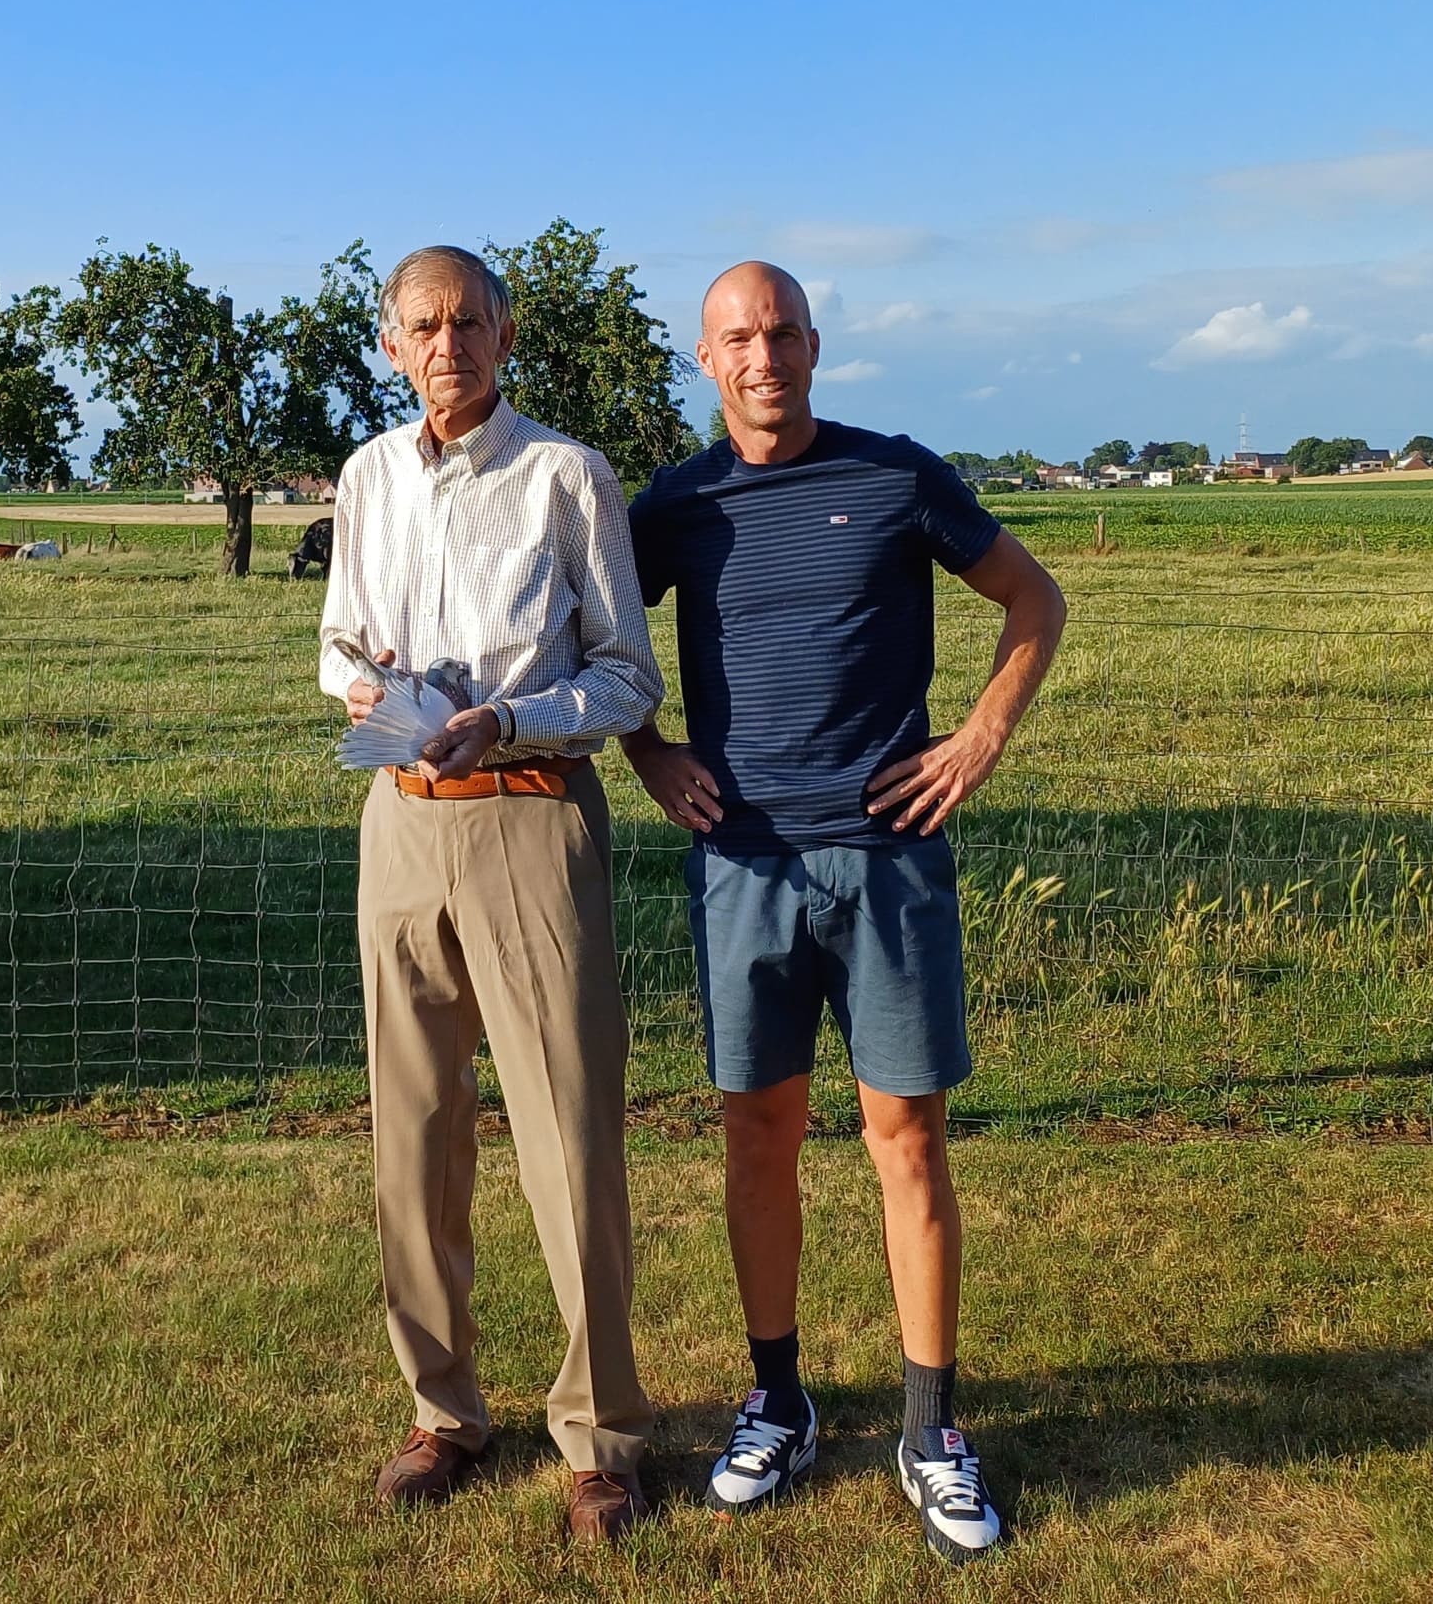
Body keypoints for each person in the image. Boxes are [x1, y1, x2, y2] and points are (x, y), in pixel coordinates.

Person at [623, 261, 1066, 1564]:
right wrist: (648, 753)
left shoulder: (895, 475)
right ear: (707, 361)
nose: (763, 357)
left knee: (906, 1140)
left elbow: (1034, 599)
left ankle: (932, 1431)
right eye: (739, 338)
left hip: (888, 863)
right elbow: (595, 640)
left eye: (783, 333)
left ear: (814, 346)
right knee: (756, 1138)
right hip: (742, 867)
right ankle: (780, 1401)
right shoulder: (675, 505)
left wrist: (978, 739)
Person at [319, 244, 662, 1543]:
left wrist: (507, 719)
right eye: (424, 325)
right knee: (412, 1133)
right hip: (400, 821)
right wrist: (367, 688)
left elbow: (628, 678)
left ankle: (601, 1438)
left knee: (569, 1138)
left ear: (506, 337)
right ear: (392, 345)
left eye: (470, 321)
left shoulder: (567, 476)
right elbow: (336, 648)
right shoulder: (365, 477)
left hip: (529, 816)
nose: (447, 344)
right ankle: (442, 1412)